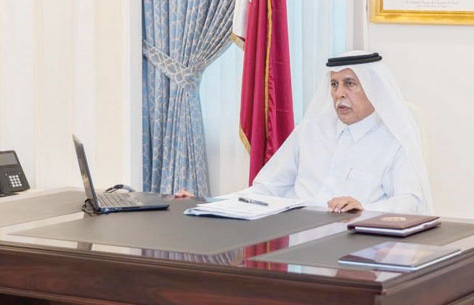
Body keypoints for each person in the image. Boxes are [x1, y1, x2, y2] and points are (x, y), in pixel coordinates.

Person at [177, 51, 430, 213]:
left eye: (350, 84)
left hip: (358, 243)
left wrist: (365, 209)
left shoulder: (394, 140)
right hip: (294, 238)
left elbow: (410, 201)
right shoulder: (309, 132)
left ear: (374, 89)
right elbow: (265, 189)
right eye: (334, 84)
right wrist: (209, 204)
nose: (339, 94)